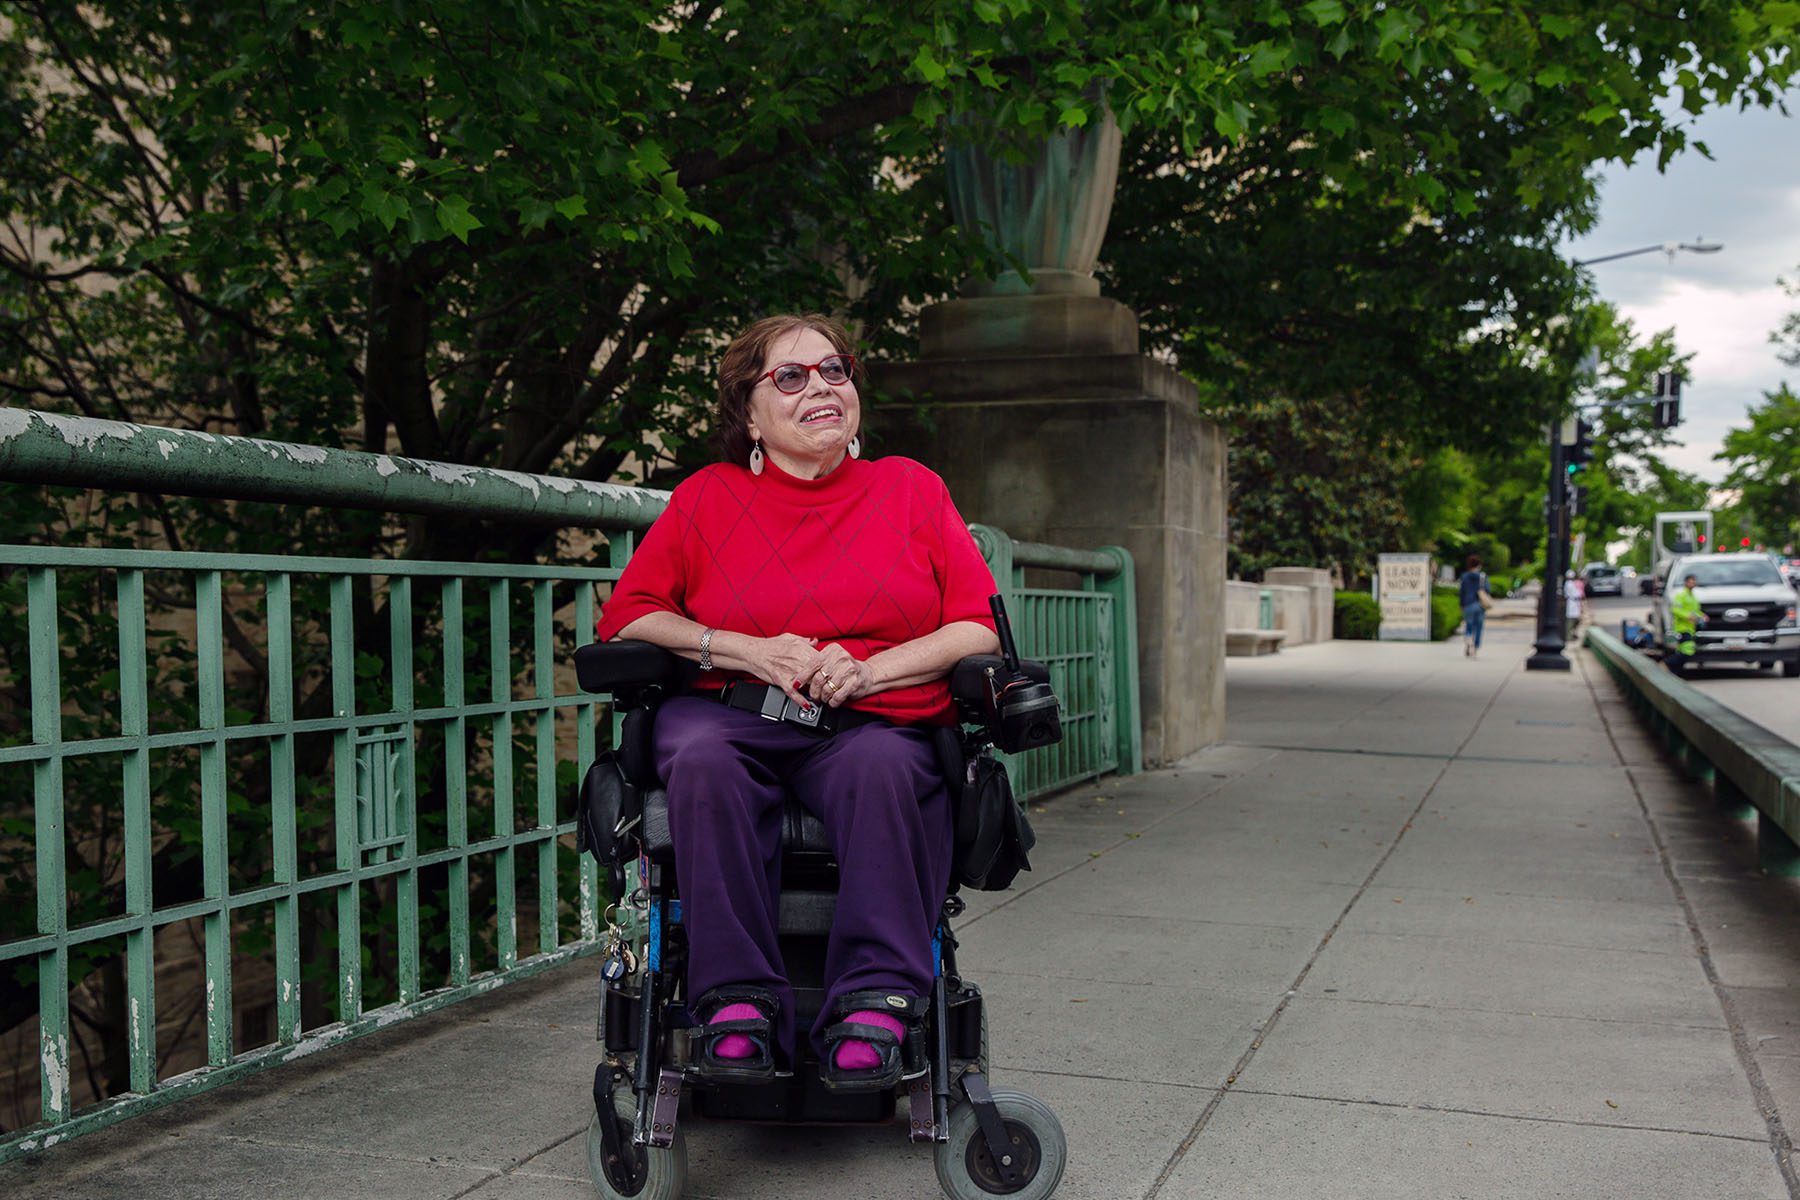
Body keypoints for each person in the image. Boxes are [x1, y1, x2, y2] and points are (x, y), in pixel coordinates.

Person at [593, 313, 1001, 1091]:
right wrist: (748, 648)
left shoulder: (911, 489)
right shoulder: (708, 498)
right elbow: (632, 614)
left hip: (872, 712)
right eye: (791, 376)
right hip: (733, 709)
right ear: (749, 412)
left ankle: (875, 1002)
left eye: (834, 370)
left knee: (884, 765)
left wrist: (874, 670)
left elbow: (977, 625)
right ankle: (735, 1001)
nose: (820, 386)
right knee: (705, 760)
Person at [1667, 571, 1705, 673]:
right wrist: (1688, 616)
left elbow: (1694, 611)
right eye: (1691, 582)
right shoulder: (1681, 595)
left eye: (1694, 582)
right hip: (1682, 627)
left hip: (1690, 628)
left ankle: (1675, 671)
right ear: (1686, 583)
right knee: (1688, 650)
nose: (1693, 584)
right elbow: (1675, 609)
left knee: (1682, 650)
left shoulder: (1692, 596)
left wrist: (1702, 615)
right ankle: (1667, 663)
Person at [1457, 553, 1489, 658]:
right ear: (1478, 565)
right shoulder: (1483, 577)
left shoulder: (1465, 577)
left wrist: (1461, 605)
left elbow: (1462, 592)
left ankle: (1468, 639)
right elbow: (1487, 590)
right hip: (1480, 605)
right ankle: (1475, 648)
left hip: (1468, 605)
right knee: (1479, 627)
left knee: (1469, 625)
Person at [1563, 569, 1584, 638]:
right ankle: (1568, 636)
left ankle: (1572, 634)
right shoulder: (1569, 584)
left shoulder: (1571, 583)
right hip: (1572, 603)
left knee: (1576, 619)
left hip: (1574, 603)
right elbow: (1575, 594)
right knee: (1571, 620)